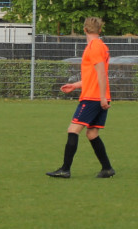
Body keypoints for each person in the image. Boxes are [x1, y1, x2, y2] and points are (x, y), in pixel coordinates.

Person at [47, 17, 115, 179]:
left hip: (93, 98)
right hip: (96, 96)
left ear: (84, 30)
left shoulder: (94, 47)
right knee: (92, 134)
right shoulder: (101, 46)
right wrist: (75, 85)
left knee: (73, 130)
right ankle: (107, 168)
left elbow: (101, 74)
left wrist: (102, 98)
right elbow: (93, 76)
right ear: (99, 30)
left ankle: (65, 169)